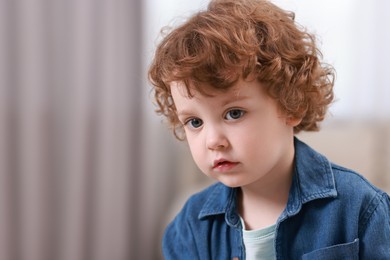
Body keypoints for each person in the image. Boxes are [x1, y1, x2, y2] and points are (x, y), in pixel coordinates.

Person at [148, 0, 390, 259]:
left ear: (291, 105)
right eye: (195, 122)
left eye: (234, 113)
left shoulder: (360, 208)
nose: (213, 141)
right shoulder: (188, 228)